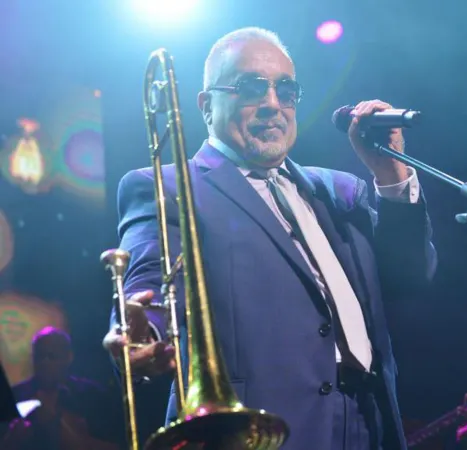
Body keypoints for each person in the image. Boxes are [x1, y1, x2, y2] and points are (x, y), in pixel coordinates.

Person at [102, 27, 436, 450]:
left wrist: (391, 175)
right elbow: (150, 277)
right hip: (258, 433)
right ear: (206, 106)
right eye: (251, 88)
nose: (273, 104)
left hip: (369, 425)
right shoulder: (168, 186)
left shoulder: (339, 190)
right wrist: (142, 330)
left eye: (286, 91)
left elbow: (411, 276)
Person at [1, 326, 122, 450]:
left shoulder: (92, 395)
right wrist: (14, 438)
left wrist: (63, 427)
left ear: (68, 357)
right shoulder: (14, 396)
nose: (45, 362)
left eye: (52, 356)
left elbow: (116, 445)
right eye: (40, 356)